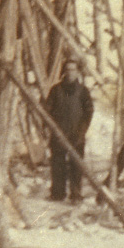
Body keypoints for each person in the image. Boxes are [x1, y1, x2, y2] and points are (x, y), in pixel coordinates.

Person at [44, 60, 94, 202]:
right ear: (64, 72)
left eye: (73, 69)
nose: (70, 72)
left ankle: (76, 194)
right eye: (68, 69)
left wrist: (82, 131)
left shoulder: (83, 91)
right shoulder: (56, 90)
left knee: (76, 166)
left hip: (76, 134)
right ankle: (58, 194)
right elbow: (47, 109)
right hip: (59, 134)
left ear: (78, 72)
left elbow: (89, 111)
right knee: (57, 164)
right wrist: (50, 127)